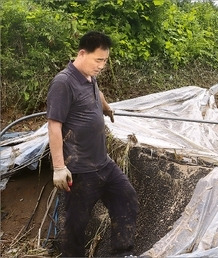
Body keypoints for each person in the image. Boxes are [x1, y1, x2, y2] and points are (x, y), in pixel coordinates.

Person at [46, 31, 139, 257]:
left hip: (103, 164)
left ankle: (121, 253)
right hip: (79, 170)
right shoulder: (63, 82)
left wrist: (105, 107)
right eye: (99, 60)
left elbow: (97, 91)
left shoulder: (89, 76)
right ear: (82, 54)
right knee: (76, 226)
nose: (102, 66)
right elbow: (53, 125)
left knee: (126, 199)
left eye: (105, 61)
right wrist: (59, 167)